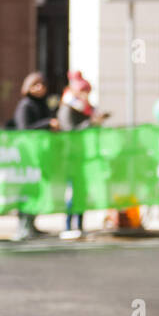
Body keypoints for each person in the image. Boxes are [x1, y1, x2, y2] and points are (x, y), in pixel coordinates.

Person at [57, 70, 107, 240]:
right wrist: (90, 123)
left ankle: (79, 224)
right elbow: (70, 131)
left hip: (85, 156)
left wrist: (95, 122)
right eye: (84, 92)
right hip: (71, 156)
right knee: (72, 192)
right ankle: (68, 225)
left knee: (82, 192)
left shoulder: (88, 109)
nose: (87, 95)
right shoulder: (67, 108)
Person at [12, 72, 57, 241]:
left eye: (42, 85)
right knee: (27, 189)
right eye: (35, 85)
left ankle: (32, 223)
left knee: (38, 189)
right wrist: (47, 124)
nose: (40, 88)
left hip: (41, 154)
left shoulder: (43, 105)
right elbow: (25, 128)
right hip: (28, 155)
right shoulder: (25, 106)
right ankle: (23, 225)